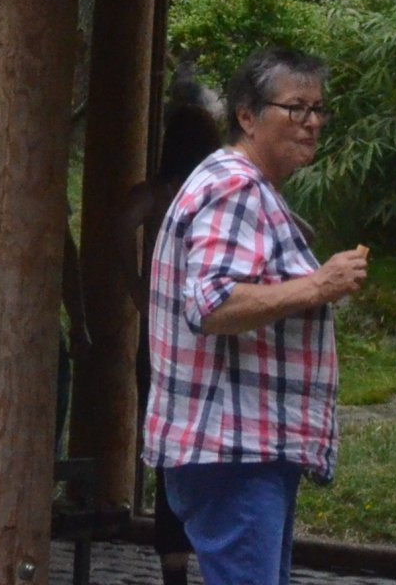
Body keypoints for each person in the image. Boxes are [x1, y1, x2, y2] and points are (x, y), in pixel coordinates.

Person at [142, 48, 369, 585]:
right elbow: (213, 303)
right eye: (295, 108)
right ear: (247, 116)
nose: (312, 123)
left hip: (242, 446)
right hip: (233, 449)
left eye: (318, 109)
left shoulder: (242, 185)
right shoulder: (235, 186)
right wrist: (319, 284)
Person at [118, 71, 226, 585]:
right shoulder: (218, 194)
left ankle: (173, 563)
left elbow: (116, 225)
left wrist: (137, 285)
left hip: (160, 339)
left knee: (166, 444)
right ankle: (218, 549)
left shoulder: (159, 195)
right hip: (216, 337)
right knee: (220, 445)